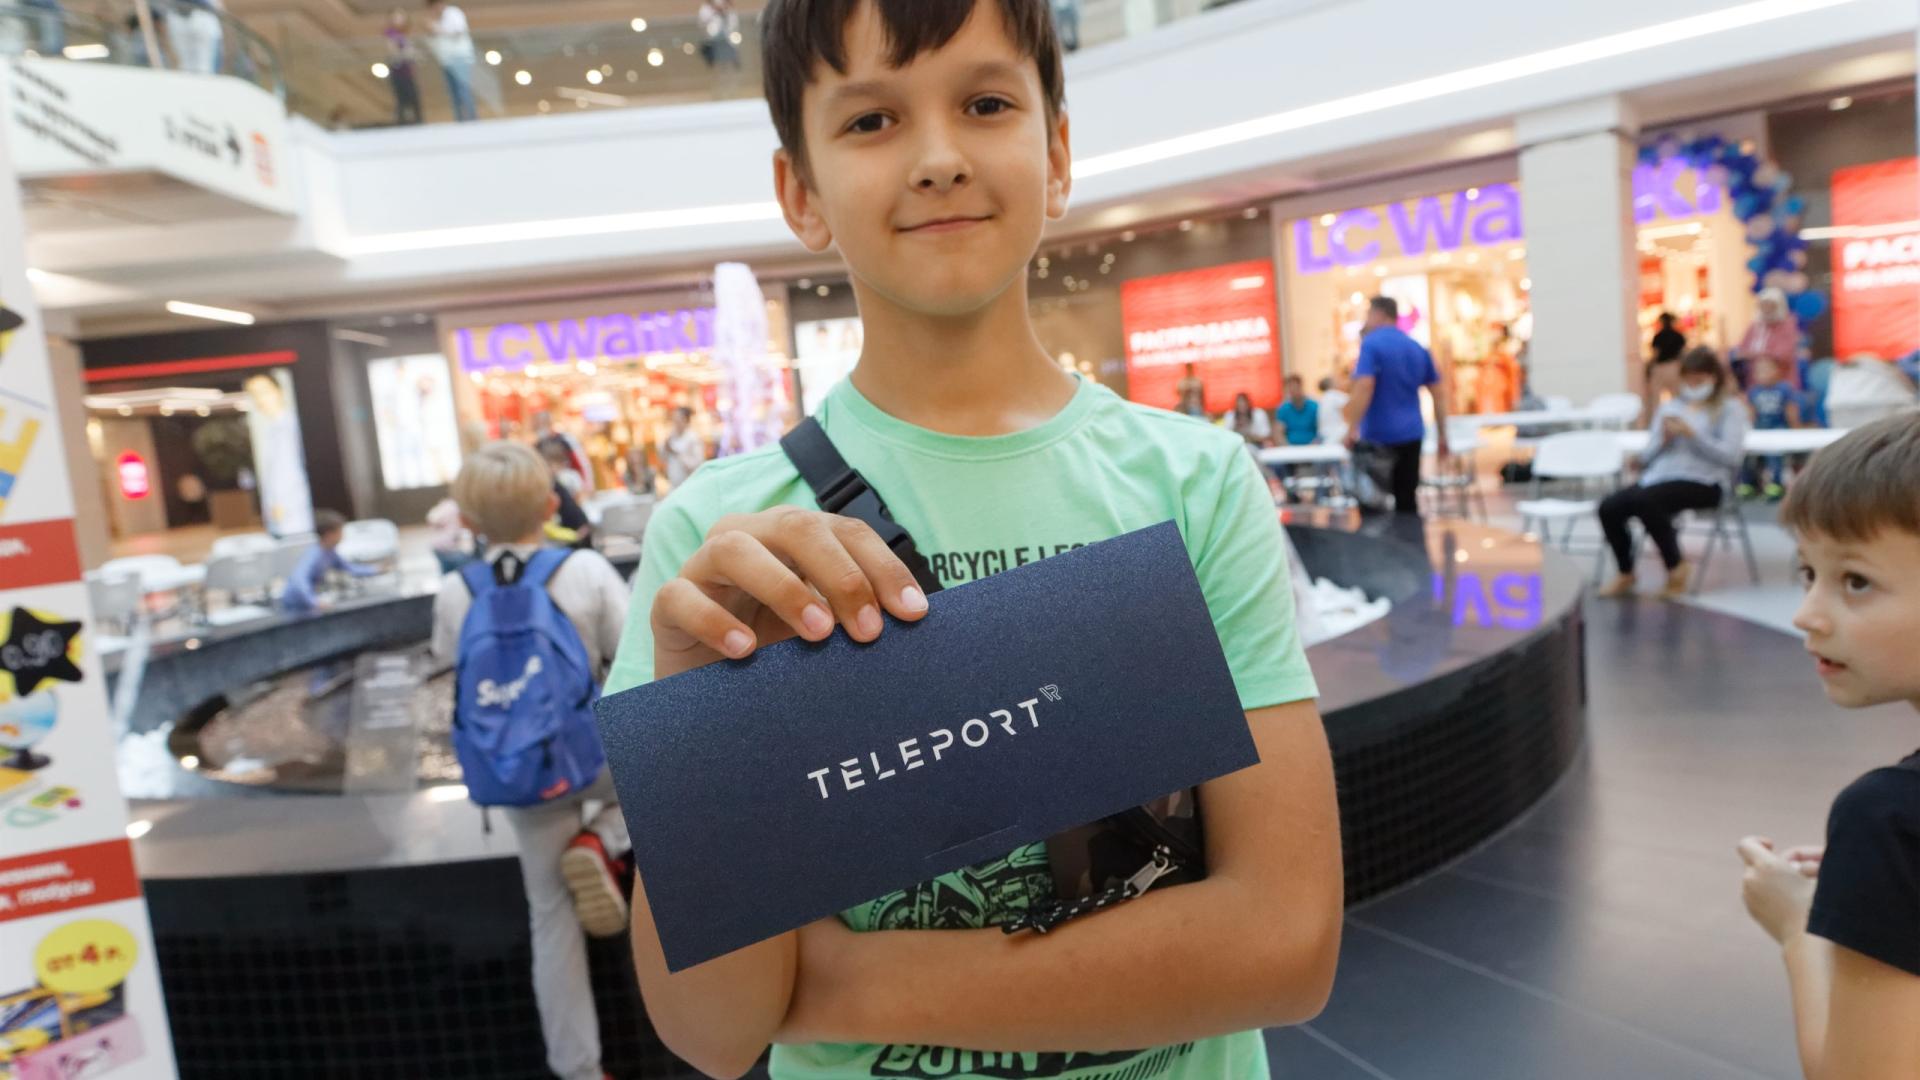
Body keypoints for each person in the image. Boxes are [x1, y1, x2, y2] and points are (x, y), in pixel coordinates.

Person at [605, 0, 1342, 1075]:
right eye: (871, 121)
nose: (939, 158)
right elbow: (712, 1032)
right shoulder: (722, 548)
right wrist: (708, 731)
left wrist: (829, 987)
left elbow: (1284, 943)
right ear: (800, 192)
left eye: (987, 104)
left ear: (1057, 154)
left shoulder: (1192, 482)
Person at [430, 442, 634, 1080]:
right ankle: (605, 838)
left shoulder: (455, 592)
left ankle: (579, 1070)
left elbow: (451, 668)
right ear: (550, 505)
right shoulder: (584, 571)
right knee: (670, 780)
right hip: (597, 759)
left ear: (468, 520)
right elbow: (636, 662)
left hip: (518, 772)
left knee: (550, 917)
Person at [1734, 413, 1920, 1079]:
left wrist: (1799, 926)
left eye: (1855, 581)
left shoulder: (1889, 822)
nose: (1806, 614)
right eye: (1808, 572)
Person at [1597, 347, 1750, 598]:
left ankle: (1676, 567)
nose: (1693, 386)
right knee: (1610, 506)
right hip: (1661, 476)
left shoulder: (1730, 409)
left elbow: (1731, 457)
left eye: (1699, 380)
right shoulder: (1672, 407)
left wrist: (1694, 436)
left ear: (1714, 378)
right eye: (1689, 380)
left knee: (1647, 501)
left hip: (1704, 481)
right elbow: (1651, 452)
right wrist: (1655, 448)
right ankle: (1626, 571)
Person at [1344, 295, 1448, 514]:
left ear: (1379, 314)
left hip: (1378, 436)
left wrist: (1351, 428)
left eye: (1368, 314)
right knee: (1407, 502)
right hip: (1411, 433)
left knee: (1373, 506)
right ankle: (1411, 536)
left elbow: (1364, 385)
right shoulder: (1416, 347)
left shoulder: (1371, 344)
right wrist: (1442, 435)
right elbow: (1438, 394)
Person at [279, 510, 379, 614]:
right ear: (329, 534)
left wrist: (375, 569)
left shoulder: (330, 553)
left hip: (307, 600)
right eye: (340, 532)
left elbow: (348, 568)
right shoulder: (315, 554)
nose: (343, 536)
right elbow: (298, 579)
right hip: (296, 602)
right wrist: (315, 602)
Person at [1742, 357, 1802, 501]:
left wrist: (1796, 428)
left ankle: (1775, 484)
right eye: (1759, 371)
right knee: (1747, 456)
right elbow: (1751, 412)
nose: (1762, 374)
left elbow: (1790, 409)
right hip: (1759, 430)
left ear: (1777, 371)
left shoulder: (1784, 389)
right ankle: (1748, 483)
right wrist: (1749, 429)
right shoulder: (1754, 391)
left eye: (1766, 370)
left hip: (1778, 429)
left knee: (1774, 456)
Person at [1732, 288, 1800, 390]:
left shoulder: (1787, 324)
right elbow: (1742, 349)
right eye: (1763, 305)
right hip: (1755, 382)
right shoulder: (1755, 326)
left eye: (1770, 305)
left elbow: (1783, 354)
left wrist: (1754, 354)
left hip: (1781, 383)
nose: (1767, 309)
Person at [422, 0, 476, 122]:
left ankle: (471, 120)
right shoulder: (436, 19)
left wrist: (438, 29)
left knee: (463, 89)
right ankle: (460, 121)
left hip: (459, 57)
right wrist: (431, 30)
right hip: (446, 60)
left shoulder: (453, 13)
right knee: (453, 92)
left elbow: (459, 32)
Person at [385, 8, 423, 125]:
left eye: (401, 17)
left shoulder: (403, 35)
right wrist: (407, 53)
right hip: (398, 72)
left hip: (407, 72)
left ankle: (416, 123)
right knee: (404, 100)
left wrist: (414, 54)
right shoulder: (391, 33)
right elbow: (393, 52)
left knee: (413, 99)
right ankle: (404, 124)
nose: (399, 20)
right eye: (396, 17)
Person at [1646, 311, 1688, 414]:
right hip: (1674, 367)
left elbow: (1655, 354)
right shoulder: (1678, 336)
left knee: (1656, 398)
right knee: (1676, 396)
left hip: (1661, 367)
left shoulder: (1658, 336)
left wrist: (1649, 367)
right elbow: (1683, 353)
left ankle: (1657, 418)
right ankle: (1679, 416)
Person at [657, 407, 705, 490]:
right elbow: (663, 458)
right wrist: (665, 447)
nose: (676, 423)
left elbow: (697, 463)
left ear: (686, 420)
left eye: (678, 419)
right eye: (674, 420)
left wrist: (677, 453)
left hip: (689, 484)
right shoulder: (671, 437)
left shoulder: (693, 438)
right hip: (673, 485)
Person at [1274, 375, 1320, 446]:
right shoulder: (1283, 409)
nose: (1293, 391)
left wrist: (1314, 444)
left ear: (1301, 387)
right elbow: (1278, 432)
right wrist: (1286, 446)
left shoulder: (1314, 407)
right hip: (1290, 447)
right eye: (1290, 389)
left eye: (1295, 388)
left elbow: (1321, 429)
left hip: (1312, 447)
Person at [697, 0, 741, 69]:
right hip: (712, 37)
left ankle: (733, 61)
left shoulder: (729, 10)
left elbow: (733, 23)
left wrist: (723, 12)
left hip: (727, 35)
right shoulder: (705, 9)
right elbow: (703, 22)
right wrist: (715, 12)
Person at [1316, 374, 1349, 445]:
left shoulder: (1324, 397)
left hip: (1324, 433)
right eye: (1336, 381)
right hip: (1334, 433)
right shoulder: (1334, 395)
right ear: (1331, 384)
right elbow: (1353, 402)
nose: (1339, 382)